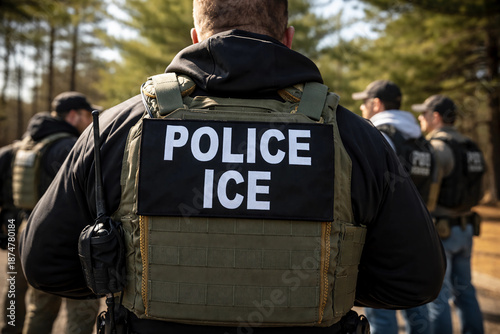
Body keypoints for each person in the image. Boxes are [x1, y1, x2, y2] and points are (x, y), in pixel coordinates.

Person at [19, 1, 446, 334]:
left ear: (195, 35)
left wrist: (133, 279)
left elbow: (43, 264)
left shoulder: (115, 129)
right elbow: (415, 279)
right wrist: (326, 283)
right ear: (288, 38)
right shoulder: (358, 138)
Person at [9, 92, 100, 334]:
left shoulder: (31, 142)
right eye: (86, 116)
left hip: (29, 232)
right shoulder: (69, 147)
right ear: (73, 115)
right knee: (83, 311)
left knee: (39, 308)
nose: (90, 122)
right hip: (64, 240)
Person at [352, 80, 434, 334]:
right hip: (420, 231)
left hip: (385, 237)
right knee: (417, 306)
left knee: (381, 314)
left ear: (376, 103)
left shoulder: (380, 134)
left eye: (365, 102)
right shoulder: (420, 140)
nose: (362, 108)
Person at [413, 95, 485, 334]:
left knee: (438, 296)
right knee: (466, 291)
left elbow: (429, 197)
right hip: (466, 229)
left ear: (435, 117)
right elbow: (480, 190)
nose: (420, 118)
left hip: (442, 232)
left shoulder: (436, 148)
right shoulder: (471, 146)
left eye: (423, 114)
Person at [0, 142, 27, 334]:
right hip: (21, 224)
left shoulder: (8, 153)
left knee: (14, 279)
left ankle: (11, 328)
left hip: (11, 225)